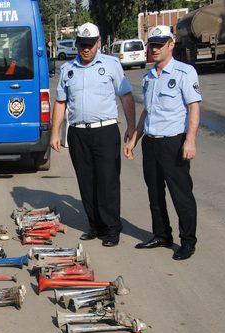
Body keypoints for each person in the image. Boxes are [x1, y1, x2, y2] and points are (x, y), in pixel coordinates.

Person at [50, 22, 136, 247]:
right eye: (81, 45)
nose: (85, 49)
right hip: (78, 133)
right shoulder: (68, 69)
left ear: (98, 43)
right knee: (86, 181)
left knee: (107, 181)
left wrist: (131, 126)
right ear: (77, 44)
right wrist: (55, 133)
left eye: (90, 44)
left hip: (105, 131)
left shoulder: (111, 65)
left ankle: (112, 228)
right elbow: (60, 101)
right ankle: (95, 224)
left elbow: (125, 96)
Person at [124, 25, 201, 261]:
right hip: (152, 142)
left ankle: (187, 241)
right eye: (152, 45)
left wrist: (190, 140)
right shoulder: (149, 77)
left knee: (181, 194)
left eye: (159, 44)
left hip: (174, 143)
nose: (154, 49)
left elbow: (194, 107)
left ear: (171, 44)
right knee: (154, 193)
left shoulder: (184, 73)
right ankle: (161, 234)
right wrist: (134, 139)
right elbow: (147, 111)